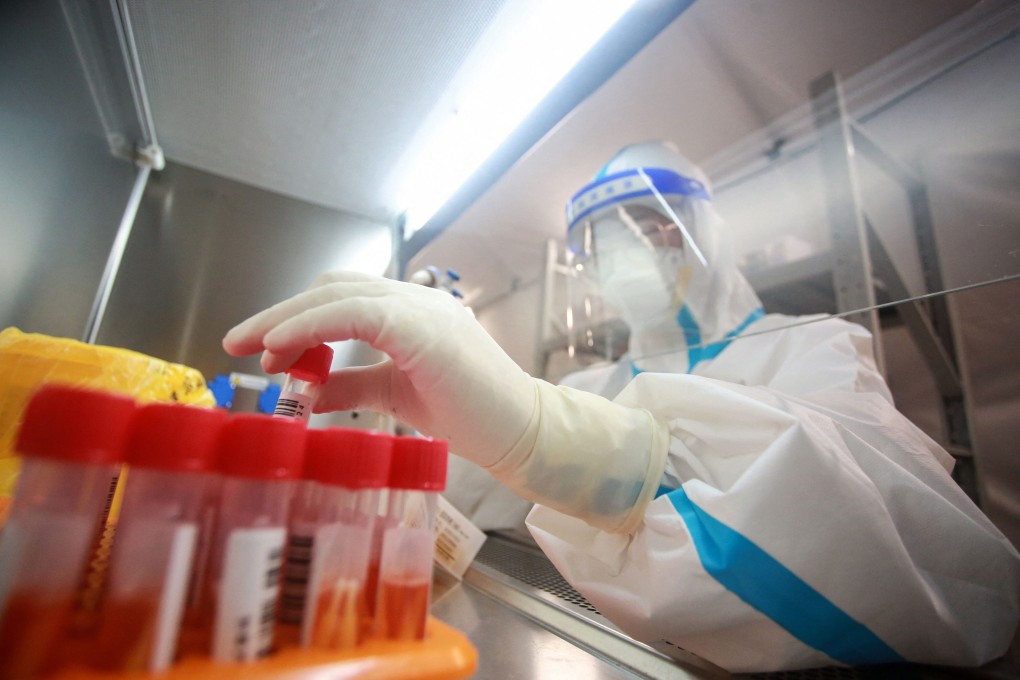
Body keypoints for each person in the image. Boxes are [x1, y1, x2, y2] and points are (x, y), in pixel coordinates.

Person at [222, 141, 1020, 673]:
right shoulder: (588, 389)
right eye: (604, 240)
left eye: (647, 224)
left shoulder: (810, 345)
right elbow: (458, 517)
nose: (627, 252)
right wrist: (370, 445)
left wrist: (564, 443)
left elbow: (926, 564)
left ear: (703, 228)